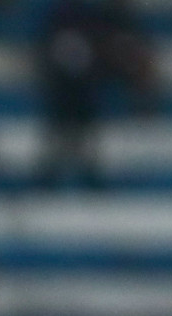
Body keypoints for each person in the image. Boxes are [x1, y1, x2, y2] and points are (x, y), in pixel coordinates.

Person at [34, 0, 158, 188]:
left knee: (80, 138)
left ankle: (79, 175)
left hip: (83, 97)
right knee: (65, 136)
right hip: (68, 98)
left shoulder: (98, 28)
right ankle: (57, 176)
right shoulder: (64, 24)